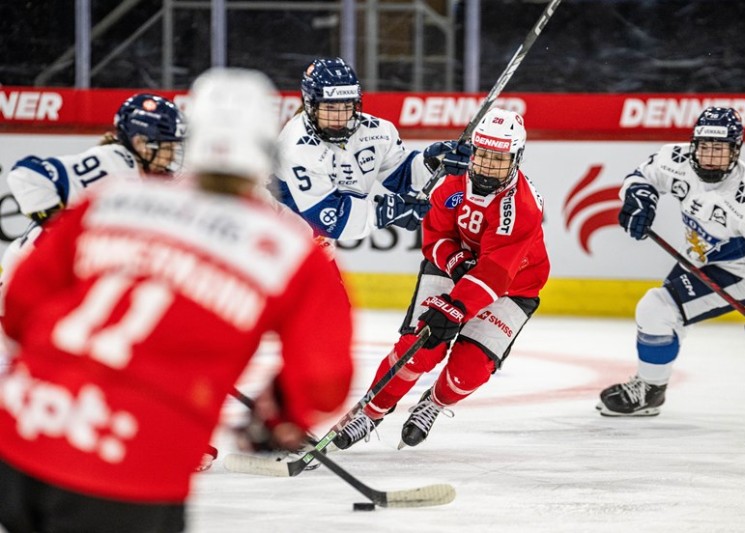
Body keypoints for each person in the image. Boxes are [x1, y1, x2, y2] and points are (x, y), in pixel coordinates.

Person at [0, 68, 354, 533]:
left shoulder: (110, 200)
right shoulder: (288, 248)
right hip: (126, 473)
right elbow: (324, 380)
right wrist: (278, 412)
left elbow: (21, 306)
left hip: (18, 442)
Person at [332, 107, 550, 450]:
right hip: (454, 271)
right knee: (418, 349)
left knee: (471, 369)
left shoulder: (521, 206)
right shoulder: (452, 179)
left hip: (513, 287)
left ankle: (433, 404)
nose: (487, 166)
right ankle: (370, 411)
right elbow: (434, 233)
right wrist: (453, 258)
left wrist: (455, 307)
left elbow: (496, 273)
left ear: (517, 158)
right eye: (483, 155)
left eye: (499, 158)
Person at [597, 106, 745, 417]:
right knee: (664, 316)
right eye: (704, 147)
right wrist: (639, 198)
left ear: (736, 151)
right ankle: (652, 385)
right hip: (698, 259)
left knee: (656, 308)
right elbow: (644, 176)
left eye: (720, 149)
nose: (710, 157)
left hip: (740, 272)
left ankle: (650, 390)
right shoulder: (676, 160)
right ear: (693, 145)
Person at [0, 92, 186, 319]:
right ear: (140, 142)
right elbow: (27, 174)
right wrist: (58, 222)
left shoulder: (142, 177)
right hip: (28, 277)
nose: (171, 156)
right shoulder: (115, 163)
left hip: (50, 283)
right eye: (167, 146)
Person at [272, 57, 472, 245]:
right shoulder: (297, 146)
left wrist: (433, 164)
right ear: (310, 105)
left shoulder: (376, 132)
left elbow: (404, 177)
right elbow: (328, 219)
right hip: (272, 242)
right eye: (330, 107)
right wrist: (386, 212)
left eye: (346, 106)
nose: (339, 117)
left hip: (310, 246)